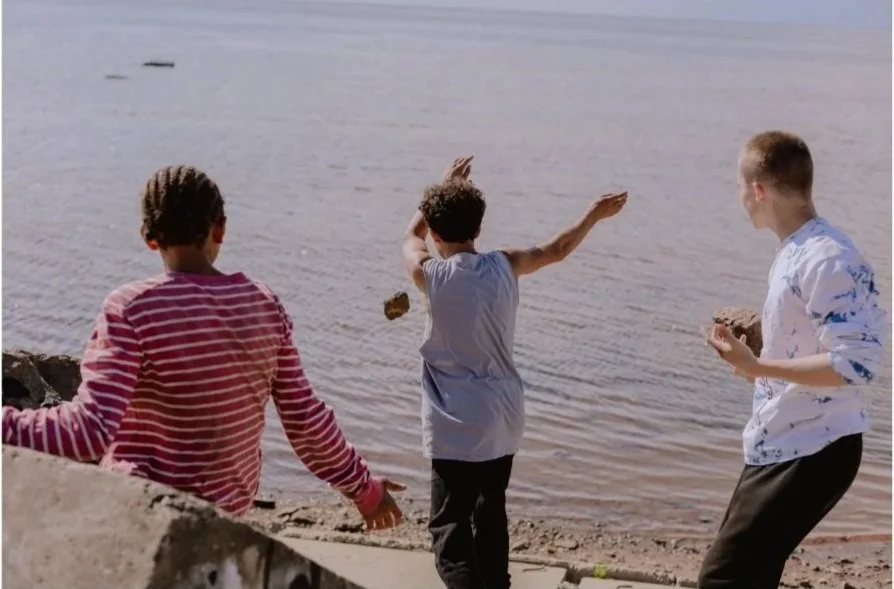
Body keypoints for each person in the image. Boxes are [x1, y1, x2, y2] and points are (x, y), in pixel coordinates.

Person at [2, 165, 404, 530]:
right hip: (221, 523)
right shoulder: (263, 305)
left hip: (139, 517)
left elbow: (87, 433)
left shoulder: (130, 309)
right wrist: (363, 489)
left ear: (148, 236)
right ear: (221, 229)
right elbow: (305, 421)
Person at [401, 156, 628, 589]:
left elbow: (410, 236)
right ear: (479, 230)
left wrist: (431, 199)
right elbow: (557, 249)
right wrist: (593, 215)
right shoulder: (504, 264)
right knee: (490, 515)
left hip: (454, 424)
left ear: (434, 232)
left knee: (449, 527)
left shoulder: (430, 276)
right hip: (503, 416)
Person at [700, 131, 886, 588]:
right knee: (748, 576)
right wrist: (757, 352)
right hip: (782, 438)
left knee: (723, 579)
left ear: (758, 189)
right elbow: (814, 348)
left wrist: (758, 366)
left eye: (740, 186)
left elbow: (856, 364)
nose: (740, 197)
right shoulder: (795, 251)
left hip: (815, 450)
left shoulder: (827, 257)